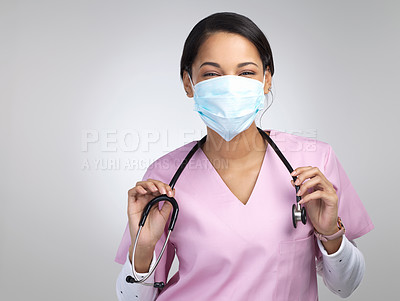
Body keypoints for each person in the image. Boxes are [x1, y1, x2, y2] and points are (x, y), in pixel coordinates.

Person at [114, 12, 374, 300]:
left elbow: (345, 286)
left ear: (266, 80)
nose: (229, 85)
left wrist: (331, 234)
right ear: (189, 83)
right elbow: (133, 298)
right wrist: (143, 248)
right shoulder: (165, 176)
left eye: (246, 72)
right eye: (212, 74)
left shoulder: (313, 163)